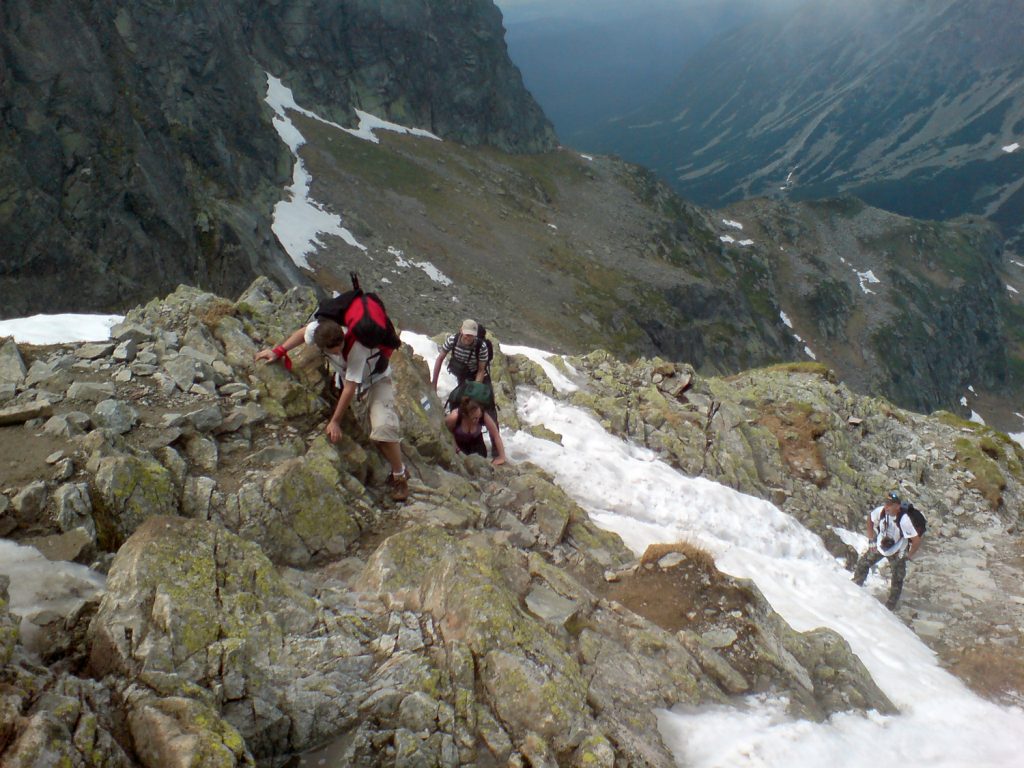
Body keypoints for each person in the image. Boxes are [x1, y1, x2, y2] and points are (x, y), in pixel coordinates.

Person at [255, 316, 409, 501]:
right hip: (355, 383)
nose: (338, 353)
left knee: (384, 429)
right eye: (333, 352)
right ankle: (393, 458)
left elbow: (350, 388)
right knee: (373, 437)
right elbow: (303, 332)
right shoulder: (317, 331)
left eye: (340, 349)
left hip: (377, 381)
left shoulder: (356, 347)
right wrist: (278, 351)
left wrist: (335, 421)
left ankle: (400, 475)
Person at [852, 491, 922, 609]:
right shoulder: (881, 511)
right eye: (886, 503)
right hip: (880, 545)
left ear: (897, 506)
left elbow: (916, 541)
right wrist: (871, 538)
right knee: (863, 563)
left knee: (897, 577)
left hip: (897, 550)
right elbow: (870, 518)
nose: (886, 507)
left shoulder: (904, 520)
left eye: (890, 504)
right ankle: (855, 586)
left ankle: (890, 606)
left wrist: (908, 555)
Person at [432, 319, 492, 392]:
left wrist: (475, 391)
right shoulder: (452, 340)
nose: (469, 338)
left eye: (472, 335)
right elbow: (440, 359)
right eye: (467, 335)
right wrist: (434, 384)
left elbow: (481, 370)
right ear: (461, 330)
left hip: (476, 376)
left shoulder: (481, 347)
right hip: (461, 375)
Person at [445, 396, 505, 466]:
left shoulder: (482, 416)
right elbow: (447, 433)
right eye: (475, 418)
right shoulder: (454, 417)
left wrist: (501, 457)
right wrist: (457, 450)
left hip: (476, 443)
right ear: (465, 415)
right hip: (459, 444)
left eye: (479, 417)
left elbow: (495, 435)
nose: (478, 420)